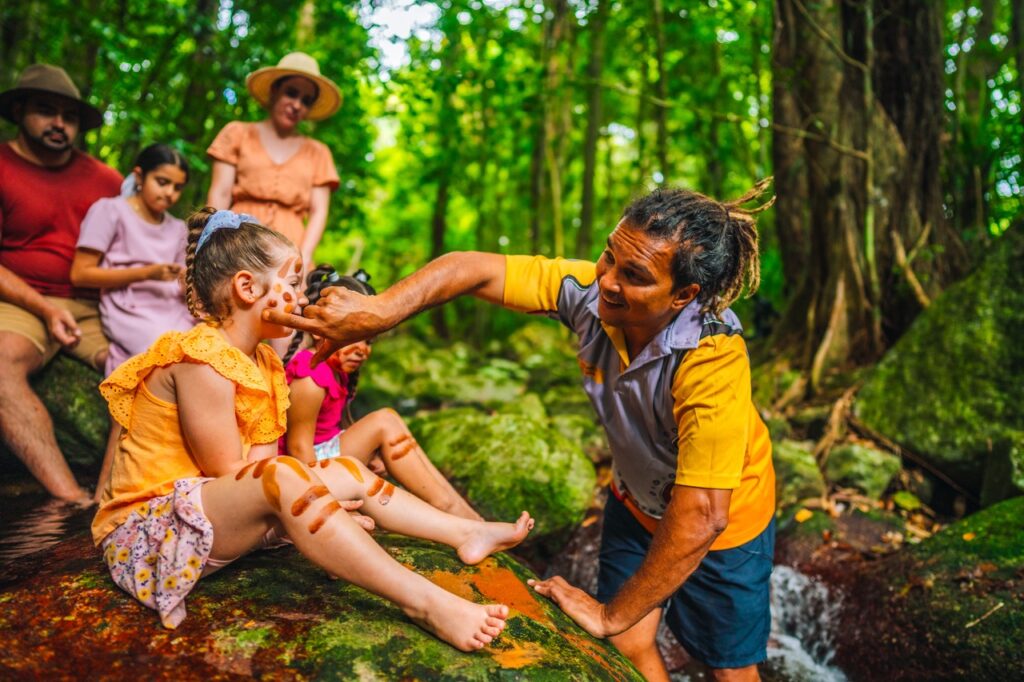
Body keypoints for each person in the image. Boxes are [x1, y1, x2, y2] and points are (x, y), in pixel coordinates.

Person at [267, 182, 778, 681]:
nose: (607, 282)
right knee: (627, 644)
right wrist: (381, 311)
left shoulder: (711, 357)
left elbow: (703, 513)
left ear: (684, 294)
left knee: (729, 666)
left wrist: (607, 614)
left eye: (634, 276)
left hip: (725, 528)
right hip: (635, 503)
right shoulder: (586, 291)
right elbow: (472, 268)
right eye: (608, 257)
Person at [91, 208, 533, 651]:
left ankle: (463, 532)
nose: (304, 296)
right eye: (294, 282)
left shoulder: (264, 363)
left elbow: (261, 472)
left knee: (347, 470)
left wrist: (317, 504)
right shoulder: (200, 360)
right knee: (291, 477)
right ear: (247, 288)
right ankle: (424, 603)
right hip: (151, 533)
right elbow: (234, 474)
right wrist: (320, 514)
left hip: (210, 514)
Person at [0, 64, 122, 503]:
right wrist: (46, 310)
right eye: (46, 111)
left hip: (97, 304)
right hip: (22, 299)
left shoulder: (107, 181)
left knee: (152, 365)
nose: (59, 124)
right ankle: (71, 498)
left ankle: (114, 495)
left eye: (68, 116)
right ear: (18, 110)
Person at [281, 266, 482, 521]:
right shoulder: (310, 375)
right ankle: (450, 510)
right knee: (385, 421)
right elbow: (298, 449)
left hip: (324, 462)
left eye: (369, 340)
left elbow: (333, 428)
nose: (363, 348)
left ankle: (455, 505)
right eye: (354, 335)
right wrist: (327, 504)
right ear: (316, 328)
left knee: (391, 422)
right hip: (304, 476)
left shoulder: (334, 372)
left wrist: (371, 453)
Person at [70, 143, 197, 499]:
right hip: (129, 306)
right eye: (162, 182)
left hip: (171, 306)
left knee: (204, 348)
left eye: (176, 187)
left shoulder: (175, 229)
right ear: (139, 176)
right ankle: (112, 492)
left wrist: (186, 279)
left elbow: (178, 283)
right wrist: (149, 272)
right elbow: (81, 273)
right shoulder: (109, 211)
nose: (169, 193)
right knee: (162, 354)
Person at [206, 52, 340, 269]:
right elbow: (219, 193)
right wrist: (209, 244)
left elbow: (319, 211)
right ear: (274, 91)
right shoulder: (237, 133)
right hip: (238, 239)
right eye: (291, 93)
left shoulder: (318, 152)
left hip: (291, 248)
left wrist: (303, 258)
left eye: (306, 101)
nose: (297, 105)